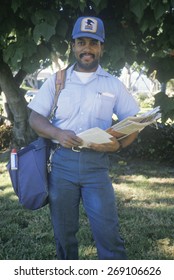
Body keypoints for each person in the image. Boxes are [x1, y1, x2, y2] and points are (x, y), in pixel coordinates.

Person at [28, 16, 139, 260]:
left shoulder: (113, 84)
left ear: (102, 47)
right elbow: (35, 119)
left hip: (96, 166)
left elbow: (134, 123)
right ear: (73, 46)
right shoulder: (57, 81)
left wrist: (118, 145)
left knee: (108, 233)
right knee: (64, 234)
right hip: (61, 164)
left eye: (93, 43)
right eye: (81, 42)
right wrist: (57, 133)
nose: (87, 48)